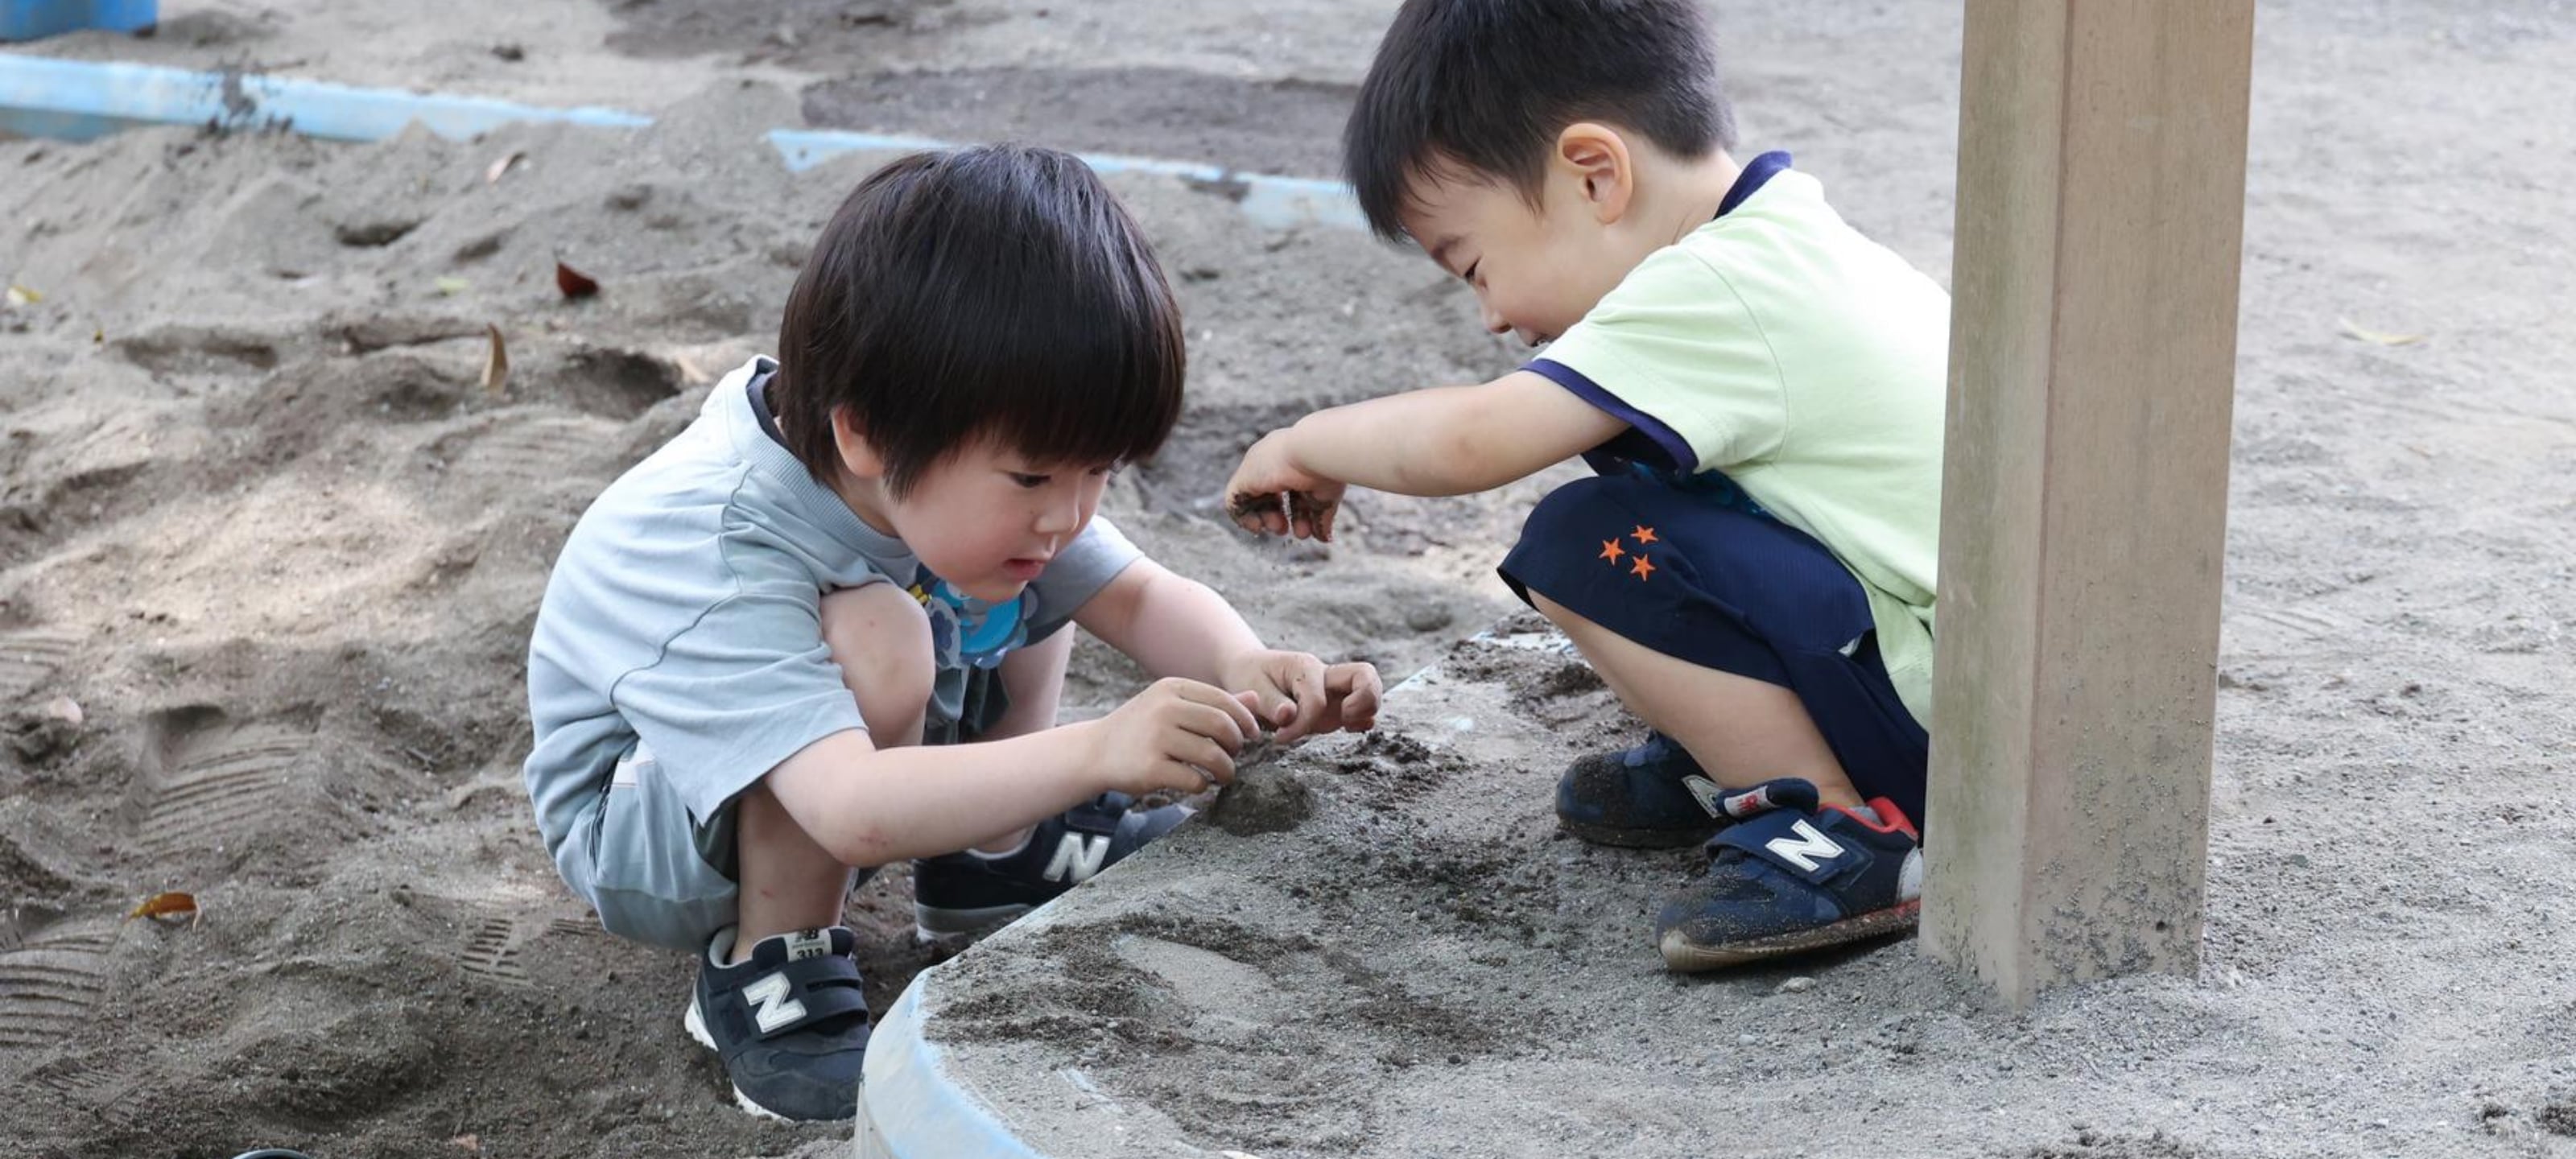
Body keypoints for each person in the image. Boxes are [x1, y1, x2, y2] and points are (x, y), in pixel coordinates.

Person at [525, 145, 1381, 1122]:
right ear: (863, 433)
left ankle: (991, 854)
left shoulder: (933, 453)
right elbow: (849, 810)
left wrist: (1247, 664)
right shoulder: (723, 540)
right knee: (888, 631)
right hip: (647, 828)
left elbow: (1134, 594)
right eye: (1035, 475)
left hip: (821, 768)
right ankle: (768, 965)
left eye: (1096, 470)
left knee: (1018, 566)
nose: (1069, 509)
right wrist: (1099, 750)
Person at [1224, 0, 1945, 973]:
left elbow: (1471, 442)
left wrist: (1307, 441)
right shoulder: (1786, 238)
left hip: (1938, 727)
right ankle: (1734, 755)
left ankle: (1835, 829)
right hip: (1965, 682)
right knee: (1657, 498)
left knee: (1586, 541)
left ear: (1595, 175)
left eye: (1472, 265)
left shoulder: (1711, 289)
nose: (1489, 316)